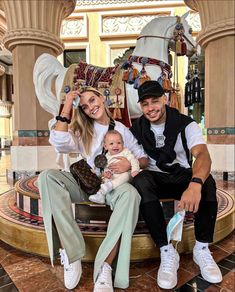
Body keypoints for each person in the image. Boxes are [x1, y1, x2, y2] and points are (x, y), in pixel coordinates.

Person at [37, 86, 148, 292]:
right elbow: (59, 142)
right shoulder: (82, 130)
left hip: (113, 185)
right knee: (47, 177)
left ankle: (105, 267)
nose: (91, 107)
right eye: (85, 106)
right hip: (87, 183)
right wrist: (68, 104)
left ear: (102, 99)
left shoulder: (121, 130)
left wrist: (129, 165)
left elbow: (143, 157)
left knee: (132, 195)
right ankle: (72, 254)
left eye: (93, 100)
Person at [130, 80, 222, 290]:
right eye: (145, 104)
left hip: (182, 175)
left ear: (164, 99)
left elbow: (202, 155)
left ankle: (201, 248)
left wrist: (195, 184)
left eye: (155, 101)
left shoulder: (185, 123)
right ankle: (166, 250)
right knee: (141, 180)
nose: (151, 108)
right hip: (156, 178)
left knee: (207, 181)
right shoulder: (136, 129)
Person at [89, 129, 140, 204]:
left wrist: (135, 170)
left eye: (119, 143)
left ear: (123, 144)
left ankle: (109, 186)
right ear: (105, 146)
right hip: (112, 176)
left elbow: (134, 160)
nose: (115, 145)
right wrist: (106, 173)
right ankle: (100, 195)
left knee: (126, 175)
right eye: (111, 143)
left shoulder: (125, 152)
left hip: (124, 176)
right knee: (105, 180)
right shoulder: (107, 156)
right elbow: (107, 167)